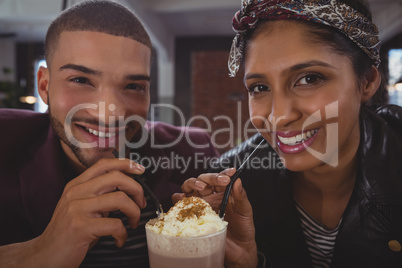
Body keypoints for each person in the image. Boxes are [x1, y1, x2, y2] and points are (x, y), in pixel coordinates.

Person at [174, 0, 402, 267]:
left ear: (367, 82)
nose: (278, 117)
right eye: (259, 87)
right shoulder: (231, 184)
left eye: (309, 79)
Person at [0, 1, 218, 267]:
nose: (109, 114)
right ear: (44, 85)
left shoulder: (193, 150)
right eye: (81, 80)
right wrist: (40, 251)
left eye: (134, 85)